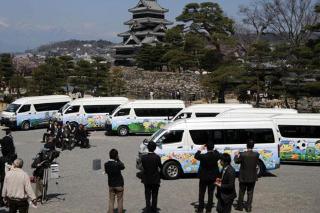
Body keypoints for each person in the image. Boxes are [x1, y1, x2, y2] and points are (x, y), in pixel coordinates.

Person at [194, 143, 221, 213]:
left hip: (203, 177)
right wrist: (215, 149)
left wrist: (200, 149)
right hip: (212, 177)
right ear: (213, 148)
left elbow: (196, 156)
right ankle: (208, 210)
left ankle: (200, 209)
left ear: (206, 148)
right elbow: (219, 154)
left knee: (201, 193)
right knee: (210, 194)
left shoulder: (203, 156)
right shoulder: (216, 155)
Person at [234, 141, 260, 212]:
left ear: (246, 146)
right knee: (250, 192)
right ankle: (248, 208)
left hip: (243, 176)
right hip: (252, 176)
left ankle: (240, 207)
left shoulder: (243, 154)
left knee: (241, 191)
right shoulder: (256, 154)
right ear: (253, 146)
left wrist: (236, 155)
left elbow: (236, 161)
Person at [141, 142, 162, 213]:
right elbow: (160, 167)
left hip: (146, 179)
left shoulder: (143, 157)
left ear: (148, 148)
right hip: (155, 179)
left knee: (147, 196)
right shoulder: (157, 157)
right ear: (155, 148)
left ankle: (148, 209)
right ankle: (154, 209)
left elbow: (143, 167)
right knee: (155, 196)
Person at [104, 149, 125, 213]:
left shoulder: (106, 164)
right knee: (120, 200)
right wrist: (118, 159)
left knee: (111, 200)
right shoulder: (118, 164)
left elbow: (106, 172)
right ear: (116, 156)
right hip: (119, 184)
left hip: (111, 184)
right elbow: (123, 166)